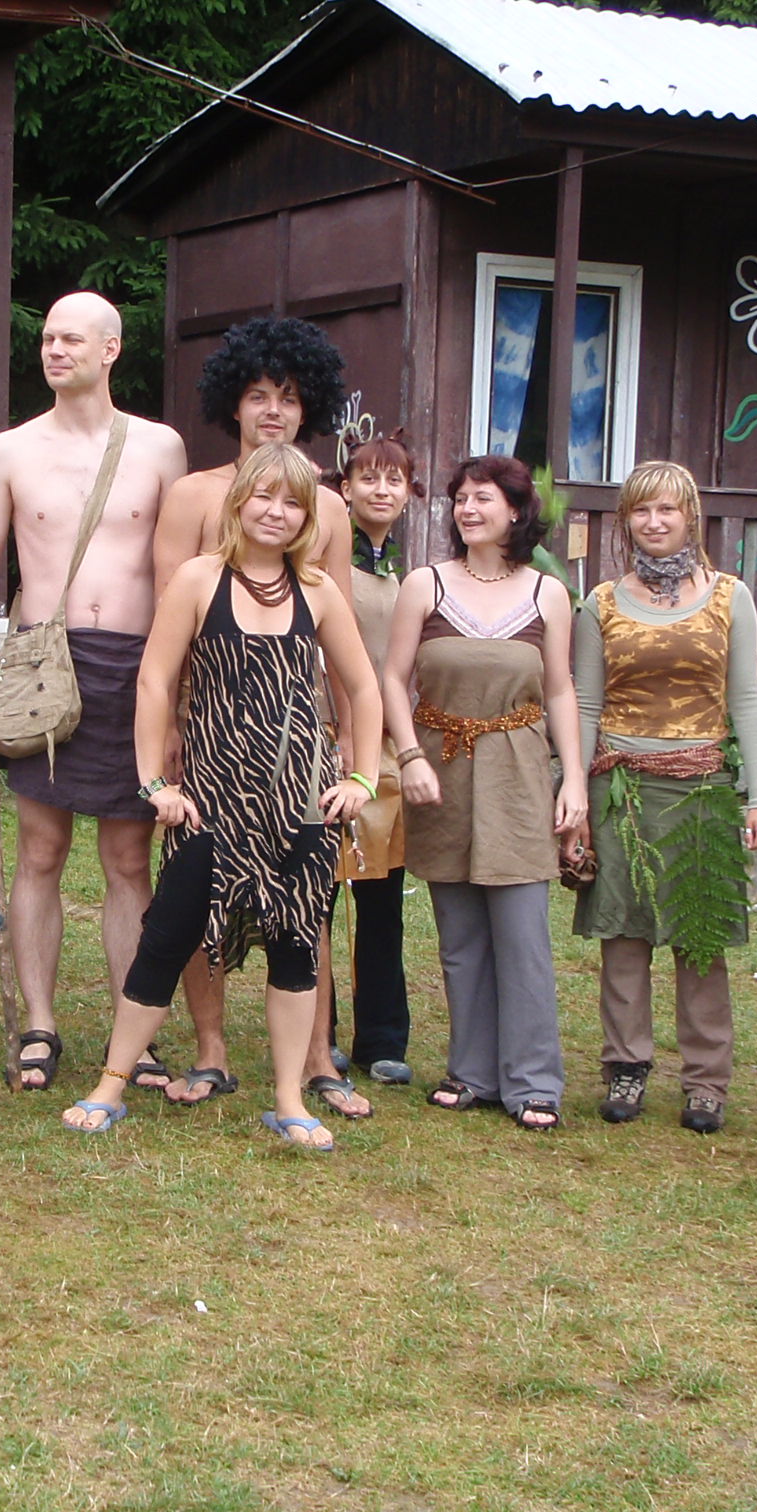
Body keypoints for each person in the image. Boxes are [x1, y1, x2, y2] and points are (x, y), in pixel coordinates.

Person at [65, 446, 383, 1148]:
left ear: (308, 517)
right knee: (166, 939)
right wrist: (155, 783)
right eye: (264, 496)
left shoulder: (318, 589)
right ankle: (110, 1083)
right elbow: (155, 682)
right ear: (239, 502)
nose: (277, 512)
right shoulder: (199, 578)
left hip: (299, 804)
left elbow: (362, 685)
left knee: (296, 948)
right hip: (211, 801)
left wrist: (362, 777)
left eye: (293, 502)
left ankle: (290, 1097)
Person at [0, 293, 187, 1094]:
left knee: (127, 857)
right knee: (40, 851)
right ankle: (39, 1024)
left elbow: (175, 572)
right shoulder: (10, 450)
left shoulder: (159, 447)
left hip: (136, 665)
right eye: (47, 338)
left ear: (110, 349)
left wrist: (176, 691)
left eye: (71, 339)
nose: (54, 350)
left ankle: (133, 1031)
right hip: (43, 663)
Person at [148, 315, 359, 1116]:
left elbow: (339, 638)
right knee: (201, 888)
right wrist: (171, 726)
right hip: (208, 732)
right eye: (260, 395)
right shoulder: (192, 497)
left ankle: (317, 1056)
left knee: (309, 893)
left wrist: (345, 737)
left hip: (298, 738)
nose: (274, 410)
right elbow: (170, 628)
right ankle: (211, 1050)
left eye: (291, 398)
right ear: (232, 404)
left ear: (310, 409)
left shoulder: (328, 508)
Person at [381, 456, 586, 1130]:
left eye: (484, 498)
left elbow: (560, 690)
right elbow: (393, 678)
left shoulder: (547, 593)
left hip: (519, 770)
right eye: (461, 499)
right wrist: (409, 755)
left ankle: (533, 1082)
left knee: (522, 933)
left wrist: (573, 778)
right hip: (440, 770)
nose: (468, 509)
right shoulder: (426, 584)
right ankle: (472, 1071)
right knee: (461, 934)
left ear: (517, 510)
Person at [573, 460, 757, 1133]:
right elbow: (585, 703)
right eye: (641, 510)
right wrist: (575, 793)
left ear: (691, 516)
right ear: (625, 520)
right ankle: (625, 1065)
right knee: (624, 933)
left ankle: (706, 1079)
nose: (655, 522)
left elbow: (745, 698)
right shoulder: (601, 602)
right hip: (622, 788)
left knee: (700, 933)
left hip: (703, 791)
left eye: (668, 509)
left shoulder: (729, 597)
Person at [333, 434, 419, 1086]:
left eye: (395, 480)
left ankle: (382, 1037)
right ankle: (318, 1031)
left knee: (382, 895)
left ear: (409, 495)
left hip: (389, 748)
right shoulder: (326, 566)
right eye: (369, 478)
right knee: (318, 896)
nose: (381, 490)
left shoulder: (409, 578)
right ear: (345, 488)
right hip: (331, 739)